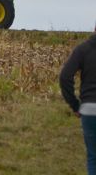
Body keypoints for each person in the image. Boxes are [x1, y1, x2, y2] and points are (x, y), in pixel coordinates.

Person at [60, 23, 96, 174]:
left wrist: (75, 105)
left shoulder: (83, 49)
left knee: (93, 158)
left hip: (89, 109)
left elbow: (65, 77)